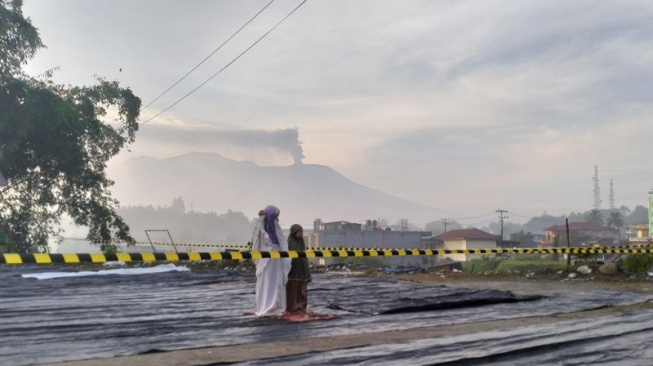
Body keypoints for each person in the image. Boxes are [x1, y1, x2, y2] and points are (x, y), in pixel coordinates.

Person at [251, 205, 291, 317]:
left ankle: (277, 306)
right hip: (267, 259)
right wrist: (265, 212)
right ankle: (268, 306)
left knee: (277, 281)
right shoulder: (263, 228)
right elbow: (270, 214)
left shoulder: (275, 228)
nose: (276, 219)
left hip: (277, 258)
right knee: (268, 281)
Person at [286, 224, 312, 314]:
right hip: (293, 271)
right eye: (299, 232)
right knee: (293, 291)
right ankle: (292, 308)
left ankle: (302, 308)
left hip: (302, 271)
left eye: (302, 231)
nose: (301, 233)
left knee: (302, 291)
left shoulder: (301, 242)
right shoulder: (289, 243)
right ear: (294, 232)